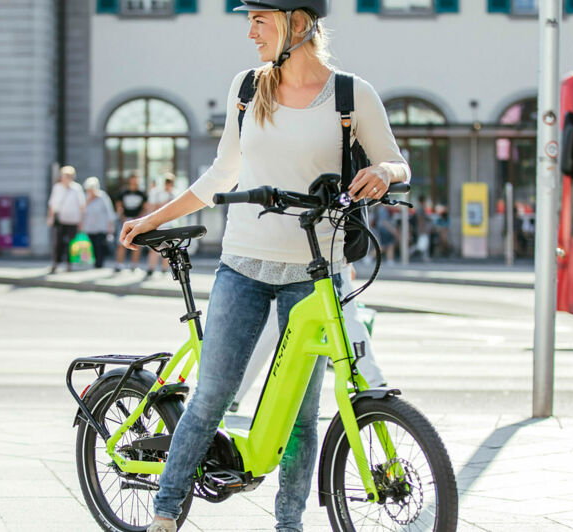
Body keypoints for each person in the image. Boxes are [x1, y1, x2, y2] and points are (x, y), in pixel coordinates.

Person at [118, 2, 410, 530]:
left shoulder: (351, 94)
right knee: (212, 395)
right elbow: (221, 173)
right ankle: (164, 513)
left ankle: (288, 525)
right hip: (244, 264)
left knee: (302, 416)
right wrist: (153, 217)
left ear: (298, 24)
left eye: (259, 19)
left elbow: (396, 160)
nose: (249, 31)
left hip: (316, 272)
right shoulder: (249, 88)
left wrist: (384, 172)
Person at [230, 264, 387, 413]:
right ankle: (373, 380)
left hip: (312, 258)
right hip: (322, 257)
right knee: (344, 314)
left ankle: (236, 392)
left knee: (339, 314)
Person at [46, 165, 85, 273]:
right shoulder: (57, 187)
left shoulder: (76, 188)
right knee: (58, 242)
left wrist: (81, 221)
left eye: (67, 176)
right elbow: (52, 204)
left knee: (71, 242)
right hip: (60, 219)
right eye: (63, 176)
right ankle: (56, 263)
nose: (65, 178)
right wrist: (50, 217)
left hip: (73, 219)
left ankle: (69, 264)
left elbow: (82, 205)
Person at [114, 173, 148, 272]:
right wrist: (123, 218)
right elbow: (119, 206)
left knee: (137, 243)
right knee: (121, 242)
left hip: (137, 221)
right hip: (125, 221)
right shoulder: (123, 192)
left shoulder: (142, 193)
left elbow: (145, 208)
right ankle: (119, 264)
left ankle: (134, 265)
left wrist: (139, 219)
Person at [145, 174, 178, 276]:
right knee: (154, 248)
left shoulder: (175, 193)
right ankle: (151, 268)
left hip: (170, 224)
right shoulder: (157, 193)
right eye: (166, 182)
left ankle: (164, 268)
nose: (168, 185)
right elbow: (152, 208)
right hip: (158, 225)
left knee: (168, 248)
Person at [81, 177, 116, 269]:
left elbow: (109, 212)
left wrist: (110, 225)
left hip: (101, 226)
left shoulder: (102, 196)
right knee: (92, 244)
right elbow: (82, 211)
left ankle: (99, 263)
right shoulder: (86, 197)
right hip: (89, 226)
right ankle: (95, 261)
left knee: (99, 244)